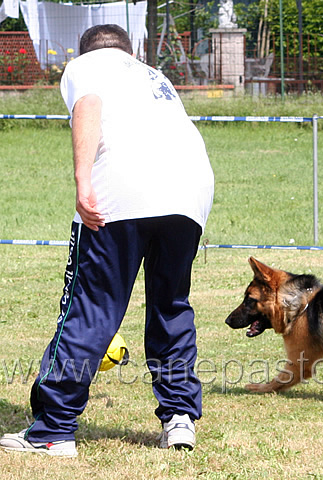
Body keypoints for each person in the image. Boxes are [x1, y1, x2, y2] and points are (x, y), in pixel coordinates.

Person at [0, 24, 215, 457]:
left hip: (122, 194)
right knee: (171, 303)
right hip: (190, 194)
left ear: (84, 51)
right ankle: (179, 420)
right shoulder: (154, 75)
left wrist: (82, 183)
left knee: (92, 307)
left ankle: (54, 429)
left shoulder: (86, 64)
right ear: (129, 49)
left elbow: (89, 106)